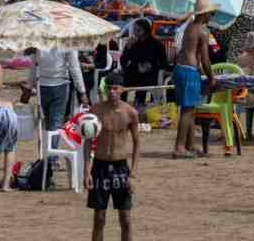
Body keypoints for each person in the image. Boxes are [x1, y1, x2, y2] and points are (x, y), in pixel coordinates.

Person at [85, 71, 140, 241]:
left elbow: (137, 143)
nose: (112, 92)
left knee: (125, 218)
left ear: (122, 89)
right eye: (109, 89)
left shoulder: (130, 113)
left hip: (120, 167)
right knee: (99, 218)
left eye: (115, 88)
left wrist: (133, 174)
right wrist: (86, 171)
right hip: (100, 166)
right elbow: (88, 142)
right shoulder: (96, 110)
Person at [173, 0, 216, 158]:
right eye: (210, 14)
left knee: (190, 109)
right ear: (205, 14)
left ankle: (189, 145)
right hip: (189, 71)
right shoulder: (202, 31)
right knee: (187, 110)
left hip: (180, 69)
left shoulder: (190, 26)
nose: (211, 17)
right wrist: (211, 78)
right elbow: (205, 59)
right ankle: (179, 147)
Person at [30, 46, 88, 139]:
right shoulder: (67, 41)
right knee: (55, 123)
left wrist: (29, 86)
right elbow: (74, 68)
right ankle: (52, 152)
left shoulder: (39, 40)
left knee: (48, 122)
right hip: (60, 85)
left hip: (42, 85)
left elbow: (33, 66)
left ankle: (50, 150)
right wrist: (82, 91)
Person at [119, 18, 168, 107]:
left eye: (138, 30)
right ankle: (122, 105)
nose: (135, 33)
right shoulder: (132, 43)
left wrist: (150, 66)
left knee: (143, 82)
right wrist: (128, 48)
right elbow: (123, 60)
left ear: (145, 31)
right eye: (134, 30)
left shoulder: (156, 44)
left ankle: (139, 104)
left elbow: (163, 62)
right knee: (123, 81)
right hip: (133, 71)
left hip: (150, 73)